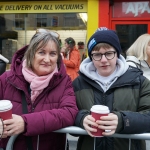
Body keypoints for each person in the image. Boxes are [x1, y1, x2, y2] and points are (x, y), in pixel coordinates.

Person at [72, 27, 150, 150]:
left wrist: (123, 121)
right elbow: (68, 113)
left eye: (109, 53)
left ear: (117, 53)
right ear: (91, 57)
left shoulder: (139, 82)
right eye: (97, 54)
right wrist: (81, 119)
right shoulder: (77, 84)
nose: (103, 60)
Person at [0, 29, 78, 150]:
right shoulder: (6, 79)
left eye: (52, 54)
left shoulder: (64, 81)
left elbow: (69, 113)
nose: (47, 59)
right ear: (31, 54)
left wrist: (25, 123)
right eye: (41, 52)